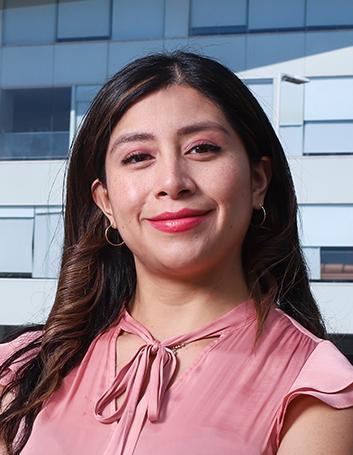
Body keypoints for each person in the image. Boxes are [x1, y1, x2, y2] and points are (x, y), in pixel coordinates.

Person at [1, 51, 353, 455]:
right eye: (138, 157)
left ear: (258, 181)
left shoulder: (314, 385)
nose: (172, 181)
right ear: (105, 203)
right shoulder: (20, 373)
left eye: (202, 149)